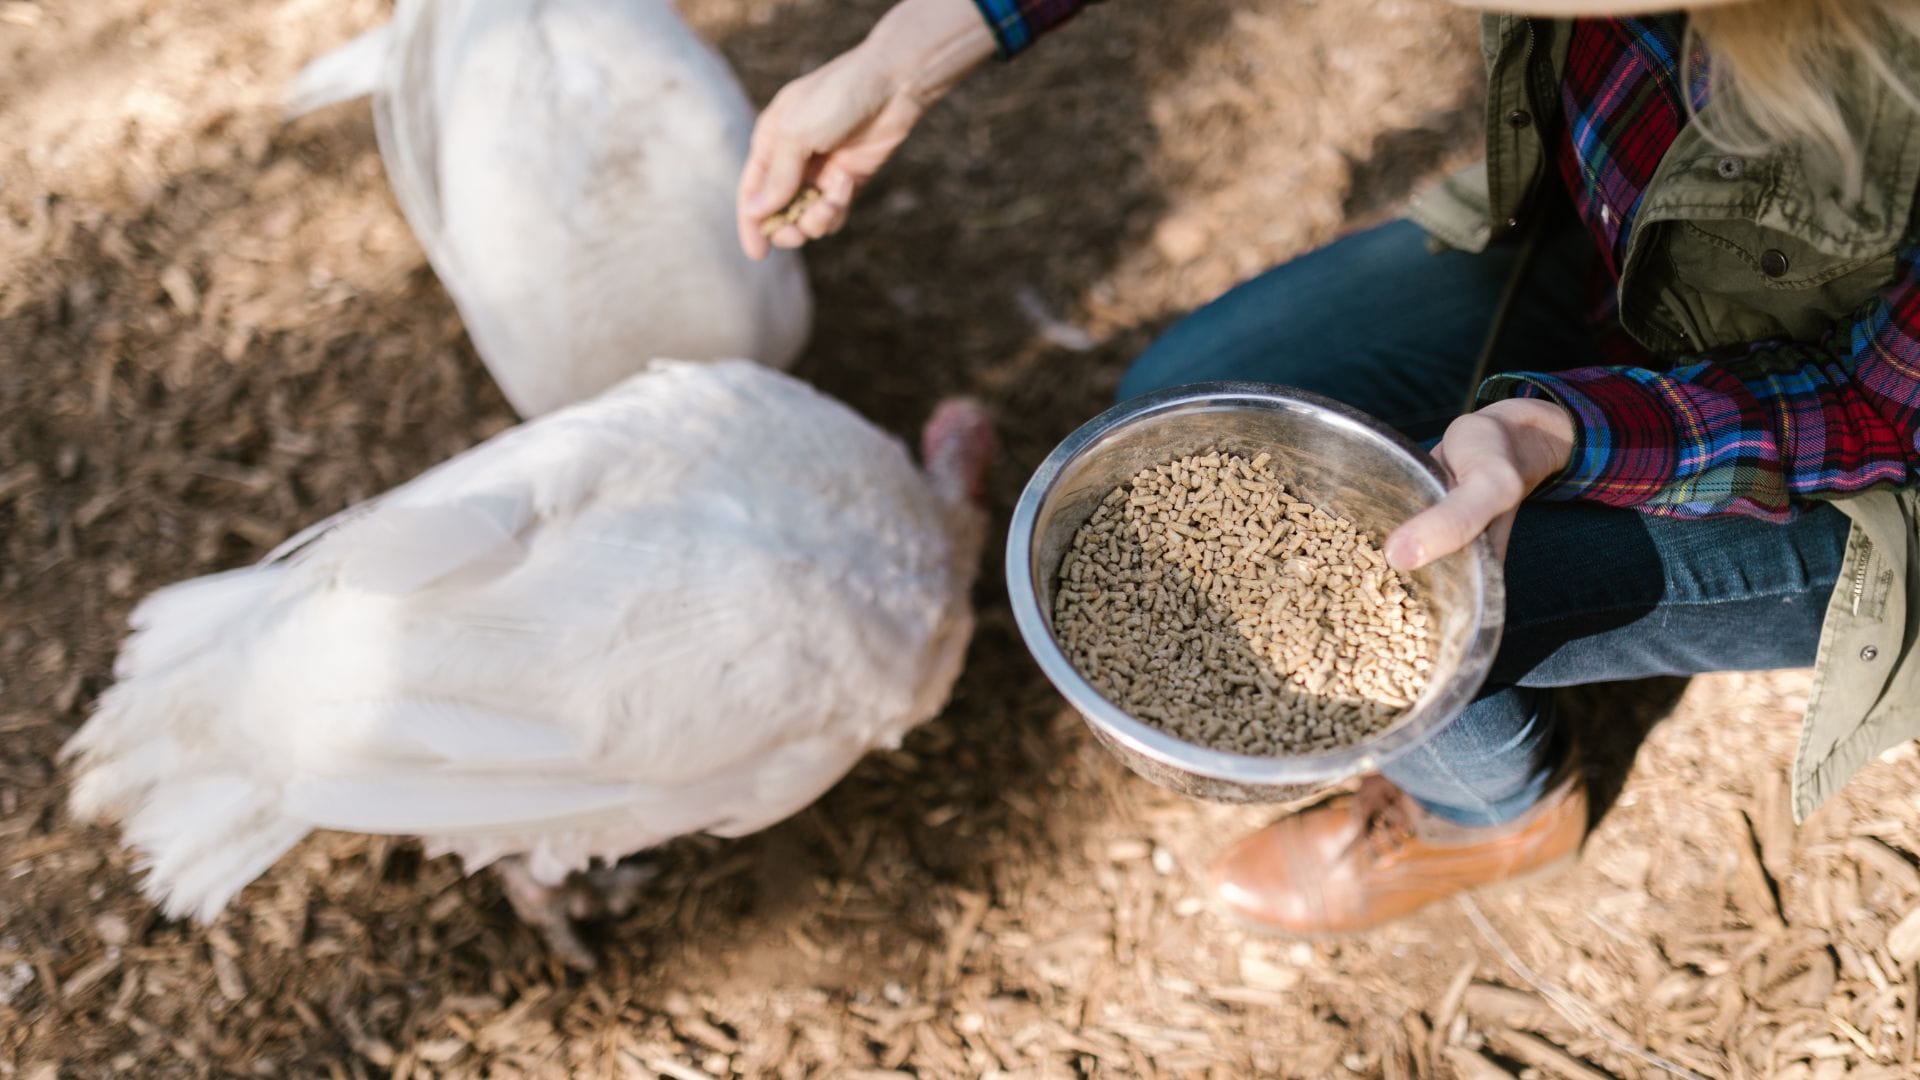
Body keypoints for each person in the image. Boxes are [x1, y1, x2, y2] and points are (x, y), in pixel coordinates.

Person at [736, 0, 1920, 935]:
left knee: (1439, 604)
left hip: (1855, 450)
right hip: (1616, 249)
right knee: (1194, 397)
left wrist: (1562, 433)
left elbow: (1874, 409)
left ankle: (1485, 817)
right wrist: (918, 45)